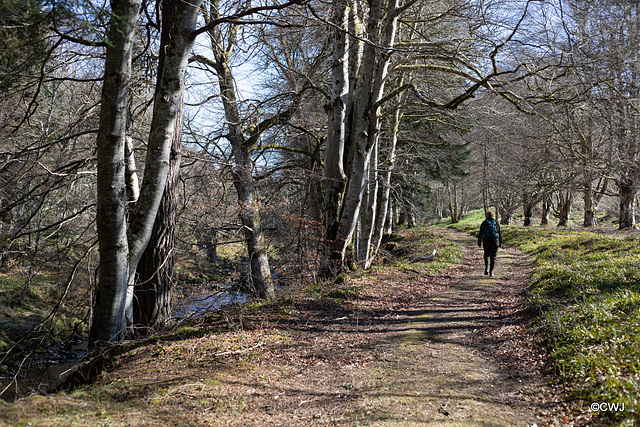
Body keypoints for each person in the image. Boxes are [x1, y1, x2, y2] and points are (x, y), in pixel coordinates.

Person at [478, 211, 503, 276]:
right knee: (493, 257)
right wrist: (500, 242)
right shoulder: (496, 222)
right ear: (493, 215)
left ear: (486, 215)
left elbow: (481, 233)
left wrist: (479, 242)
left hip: (486, 240)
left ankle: (486, 269)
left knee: (486, 255)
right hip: (495, 241)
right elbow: (499, 232)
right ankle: (491, 272)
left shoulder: (484, 223)